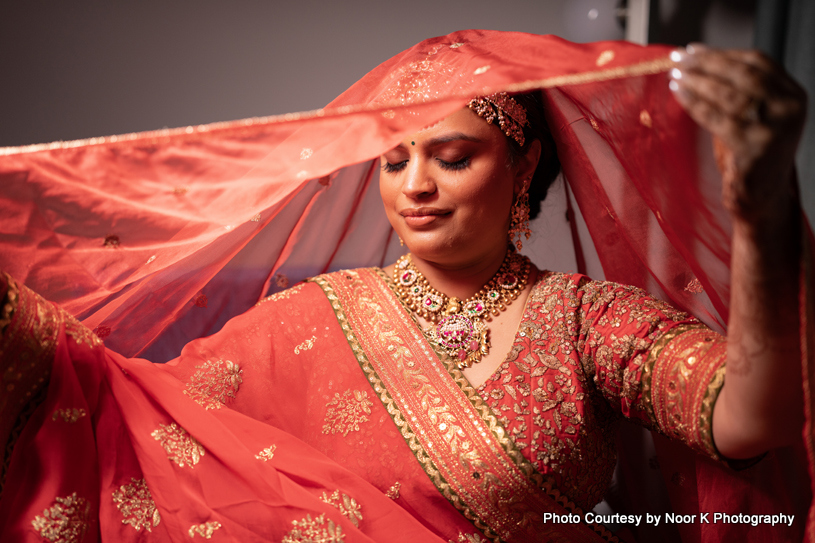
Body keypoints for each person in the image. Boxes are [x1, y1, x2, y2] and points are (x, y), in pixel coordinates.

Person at [0, 30, 809, 542]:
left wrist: (762, 214)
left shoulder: (583, 320)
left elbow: (749, 418)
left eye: (452, 156)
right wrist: (18, 331)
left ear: (524, 163)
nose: (414, 185)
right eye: (394, 160)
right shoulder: (310, 321)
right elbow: (142, 422)